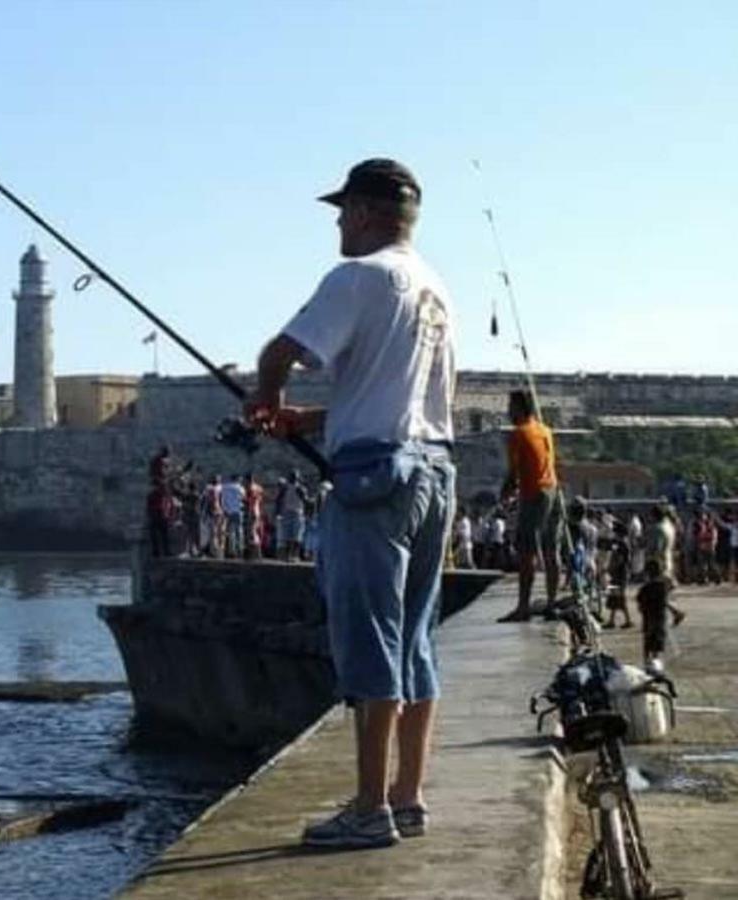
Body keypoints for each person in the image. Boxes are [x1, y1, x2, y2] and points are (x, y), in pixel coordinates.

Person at [247, 158, 455, 849]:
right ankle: (408, 795)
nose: (337, 222)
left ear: (367, 213)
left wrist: (266, 399)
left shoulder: (360, 276)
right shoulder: (432, 288)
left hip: (375, 477)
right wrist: (308, 422)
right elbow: (395, 397)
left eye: (343, 210)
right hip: (432, 471)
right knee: (416, 639)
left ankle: (370, 809)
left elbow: (278, 353)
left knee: (370, 639)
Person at [498, 390, 561, 621]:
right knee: (551, 550)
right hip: (554, 490)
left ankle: (523, 607)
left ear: (519, 408)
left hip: (534, 494)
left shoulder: (518, 434)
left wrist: (505, 492)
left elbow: (514, 473)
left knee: (527, 551)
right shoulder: (545, 430)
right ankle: (552, 603)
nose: (507, 411)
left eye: (510, 406)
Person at [637, 558, 672, 668]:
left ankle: (647, 664)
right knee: (657, 647)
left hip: (648, 619)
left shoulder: (645, 588)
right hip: (659, 620)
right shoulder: (663, 586)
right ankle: (656, 665)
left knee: (647, 644)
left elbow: (640, 604)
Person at [275, 471, 310, 561]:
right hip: (297, 513)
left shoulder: (285, 488)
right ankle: (294, 555)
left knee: (289, 536)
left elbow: (278, 500)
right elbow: (306, 500)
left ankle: (288, 556)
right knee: (296, 536)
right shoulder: (300, 488)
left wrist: (278, 512)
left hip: (287, 513)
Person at [219, 474, 245, 558]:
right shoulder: (240, 488)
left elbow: (222, 498)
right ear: (237, 479)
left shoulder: (225, 487)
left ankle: (232, 550)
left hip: (229, 511)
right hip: (238, 511)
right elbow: (243, 497)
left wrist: (224, 509)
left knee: (231, 531)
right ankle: (240, 549)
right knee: (239, 530)